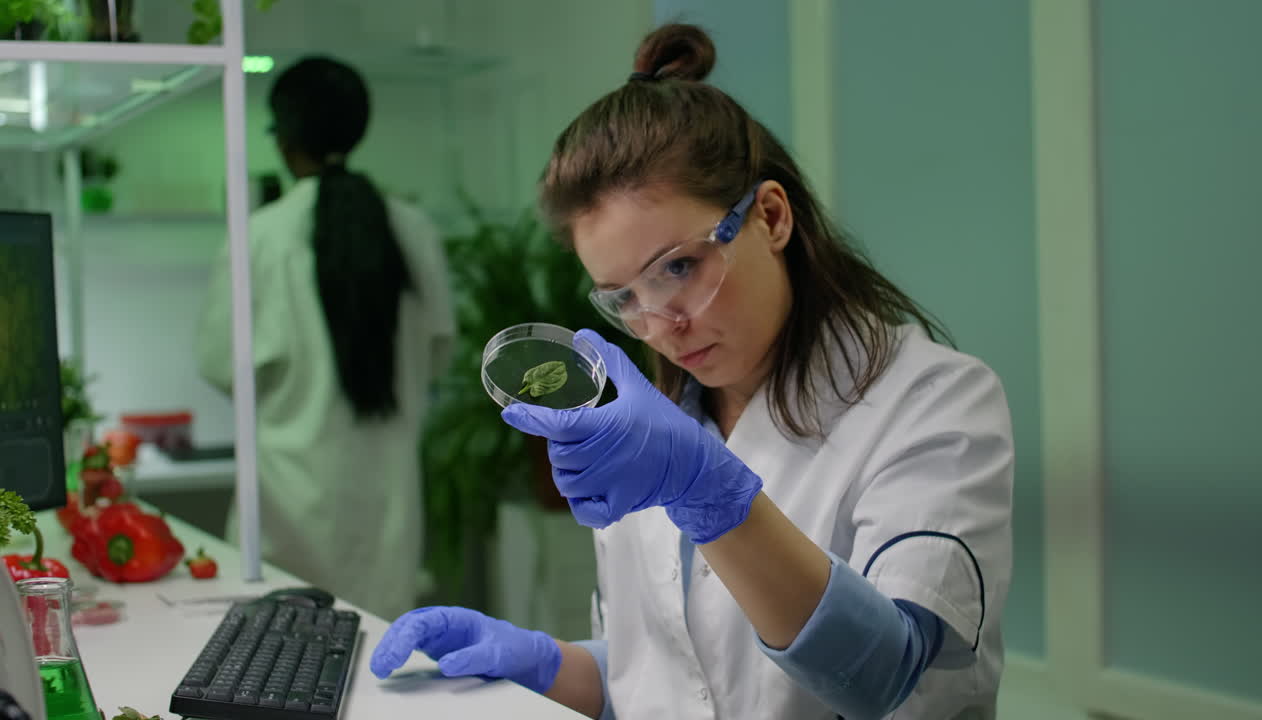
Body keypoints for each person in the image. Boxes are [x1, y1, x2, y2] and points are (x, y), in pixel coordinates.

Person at [368, 24, 1012, 720]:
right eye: (623, 298)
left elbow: (883, 674)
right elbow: (672, 676)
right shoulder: (655, 424)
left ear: (770, 216)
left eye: (679, 267)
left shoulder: (933, 400)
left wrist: (712, 495)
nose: (660, 323)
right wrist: (549, 664)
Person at [196, 57, 455, 621]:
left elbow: (220, 365)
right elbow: (437, 354)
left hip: (286, 513)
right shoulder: (412, 229)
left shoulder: (260, 237)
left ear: (285, 139)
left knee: (279, 680)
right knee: (378, 675)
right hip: (386, 509)